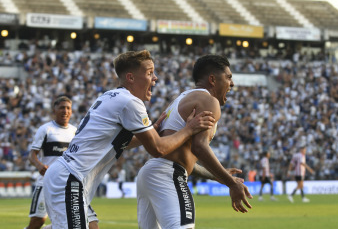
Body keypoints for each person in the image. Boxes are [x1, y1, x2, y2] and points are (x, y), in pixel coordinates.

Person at [43, 50, 215, 229]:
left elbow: (118, 143)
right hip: (70, 179)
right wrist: (189, 129)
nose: (155, 78)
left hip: (66, 176)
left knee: (90, 225)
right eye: (149, 73)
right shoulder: (130, 102)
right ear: (131, 77)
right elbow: (158, 149)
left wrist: (151, 131)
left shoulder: (111, 95)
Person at [137, 54, 252, 229]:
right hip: (167, 174)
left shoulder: (183, 98)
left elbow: (183, 156)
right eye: (228, 77)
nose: (232, 83)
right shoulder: (209, 100)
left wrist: (218, 175)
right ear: (212, 79)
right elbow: (199, 147)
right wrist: (231, 184)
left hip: (150, 173)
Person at [25, 96, 99, 229]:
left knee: (92, 223)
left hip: (72, 184)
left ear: (71, 111)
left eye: (68, 108)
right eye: (62, 108)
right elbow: (32, 155)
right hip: (47, 181)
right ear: (54, 110)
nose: (65, 111)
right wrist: (39, 165)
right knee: (38, 221)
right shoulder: (46, 129)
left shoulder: (75, 132)